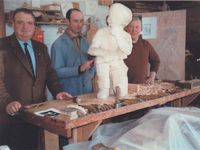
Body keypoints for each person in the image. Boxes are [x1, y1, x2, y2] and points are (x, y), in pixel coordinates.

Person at [0, 8, 72, 150]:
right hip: (13, 116)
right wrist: (7, 102)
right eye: (20, 22)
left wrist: (58, 92)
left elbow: (50, 74)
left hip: (38, 115)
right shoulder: (2, 47)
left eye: (30, 23)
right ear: (12, 24)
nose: (25, 27)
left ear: (34, 26)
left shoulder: (41, 48)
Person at [51, 8, 95, 96]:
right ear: (67, 21)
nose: (79, 25)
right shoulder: (58, 45)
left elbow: (93, 60)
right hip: (69, 93)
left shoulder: (85, 41)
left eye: (81, 21)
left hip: (87, 92)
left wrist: (92, 73)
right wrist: (79, 69)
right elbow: (56, 72)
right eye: (75, 21)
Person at [124, 16, 160, 84]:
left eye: (137, 27)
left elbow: (156, 61)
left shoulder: (146, 44)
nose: (134, 30)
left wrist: (152, 77)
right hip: (123, 87)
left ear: (141, 29)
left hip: (142, 86)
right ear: (126, 28)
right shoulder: (120, 45)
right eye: (131, 27)